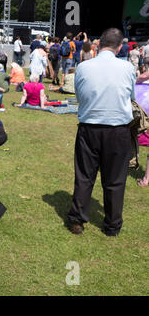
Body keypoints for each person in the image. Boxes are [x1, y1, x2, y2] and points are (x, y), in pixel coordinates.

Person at [67, 28, 135, 237]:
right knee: (115, 180)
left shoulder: (84, 66)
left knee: (85, 176)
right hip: (118, 130)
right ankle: (112, 225)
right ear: (120, 46)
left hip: (90, 128)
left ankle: (77, 220)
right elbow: (130, 96)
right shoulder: (127, 67)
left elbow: (79, 95)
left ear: (99, 44)